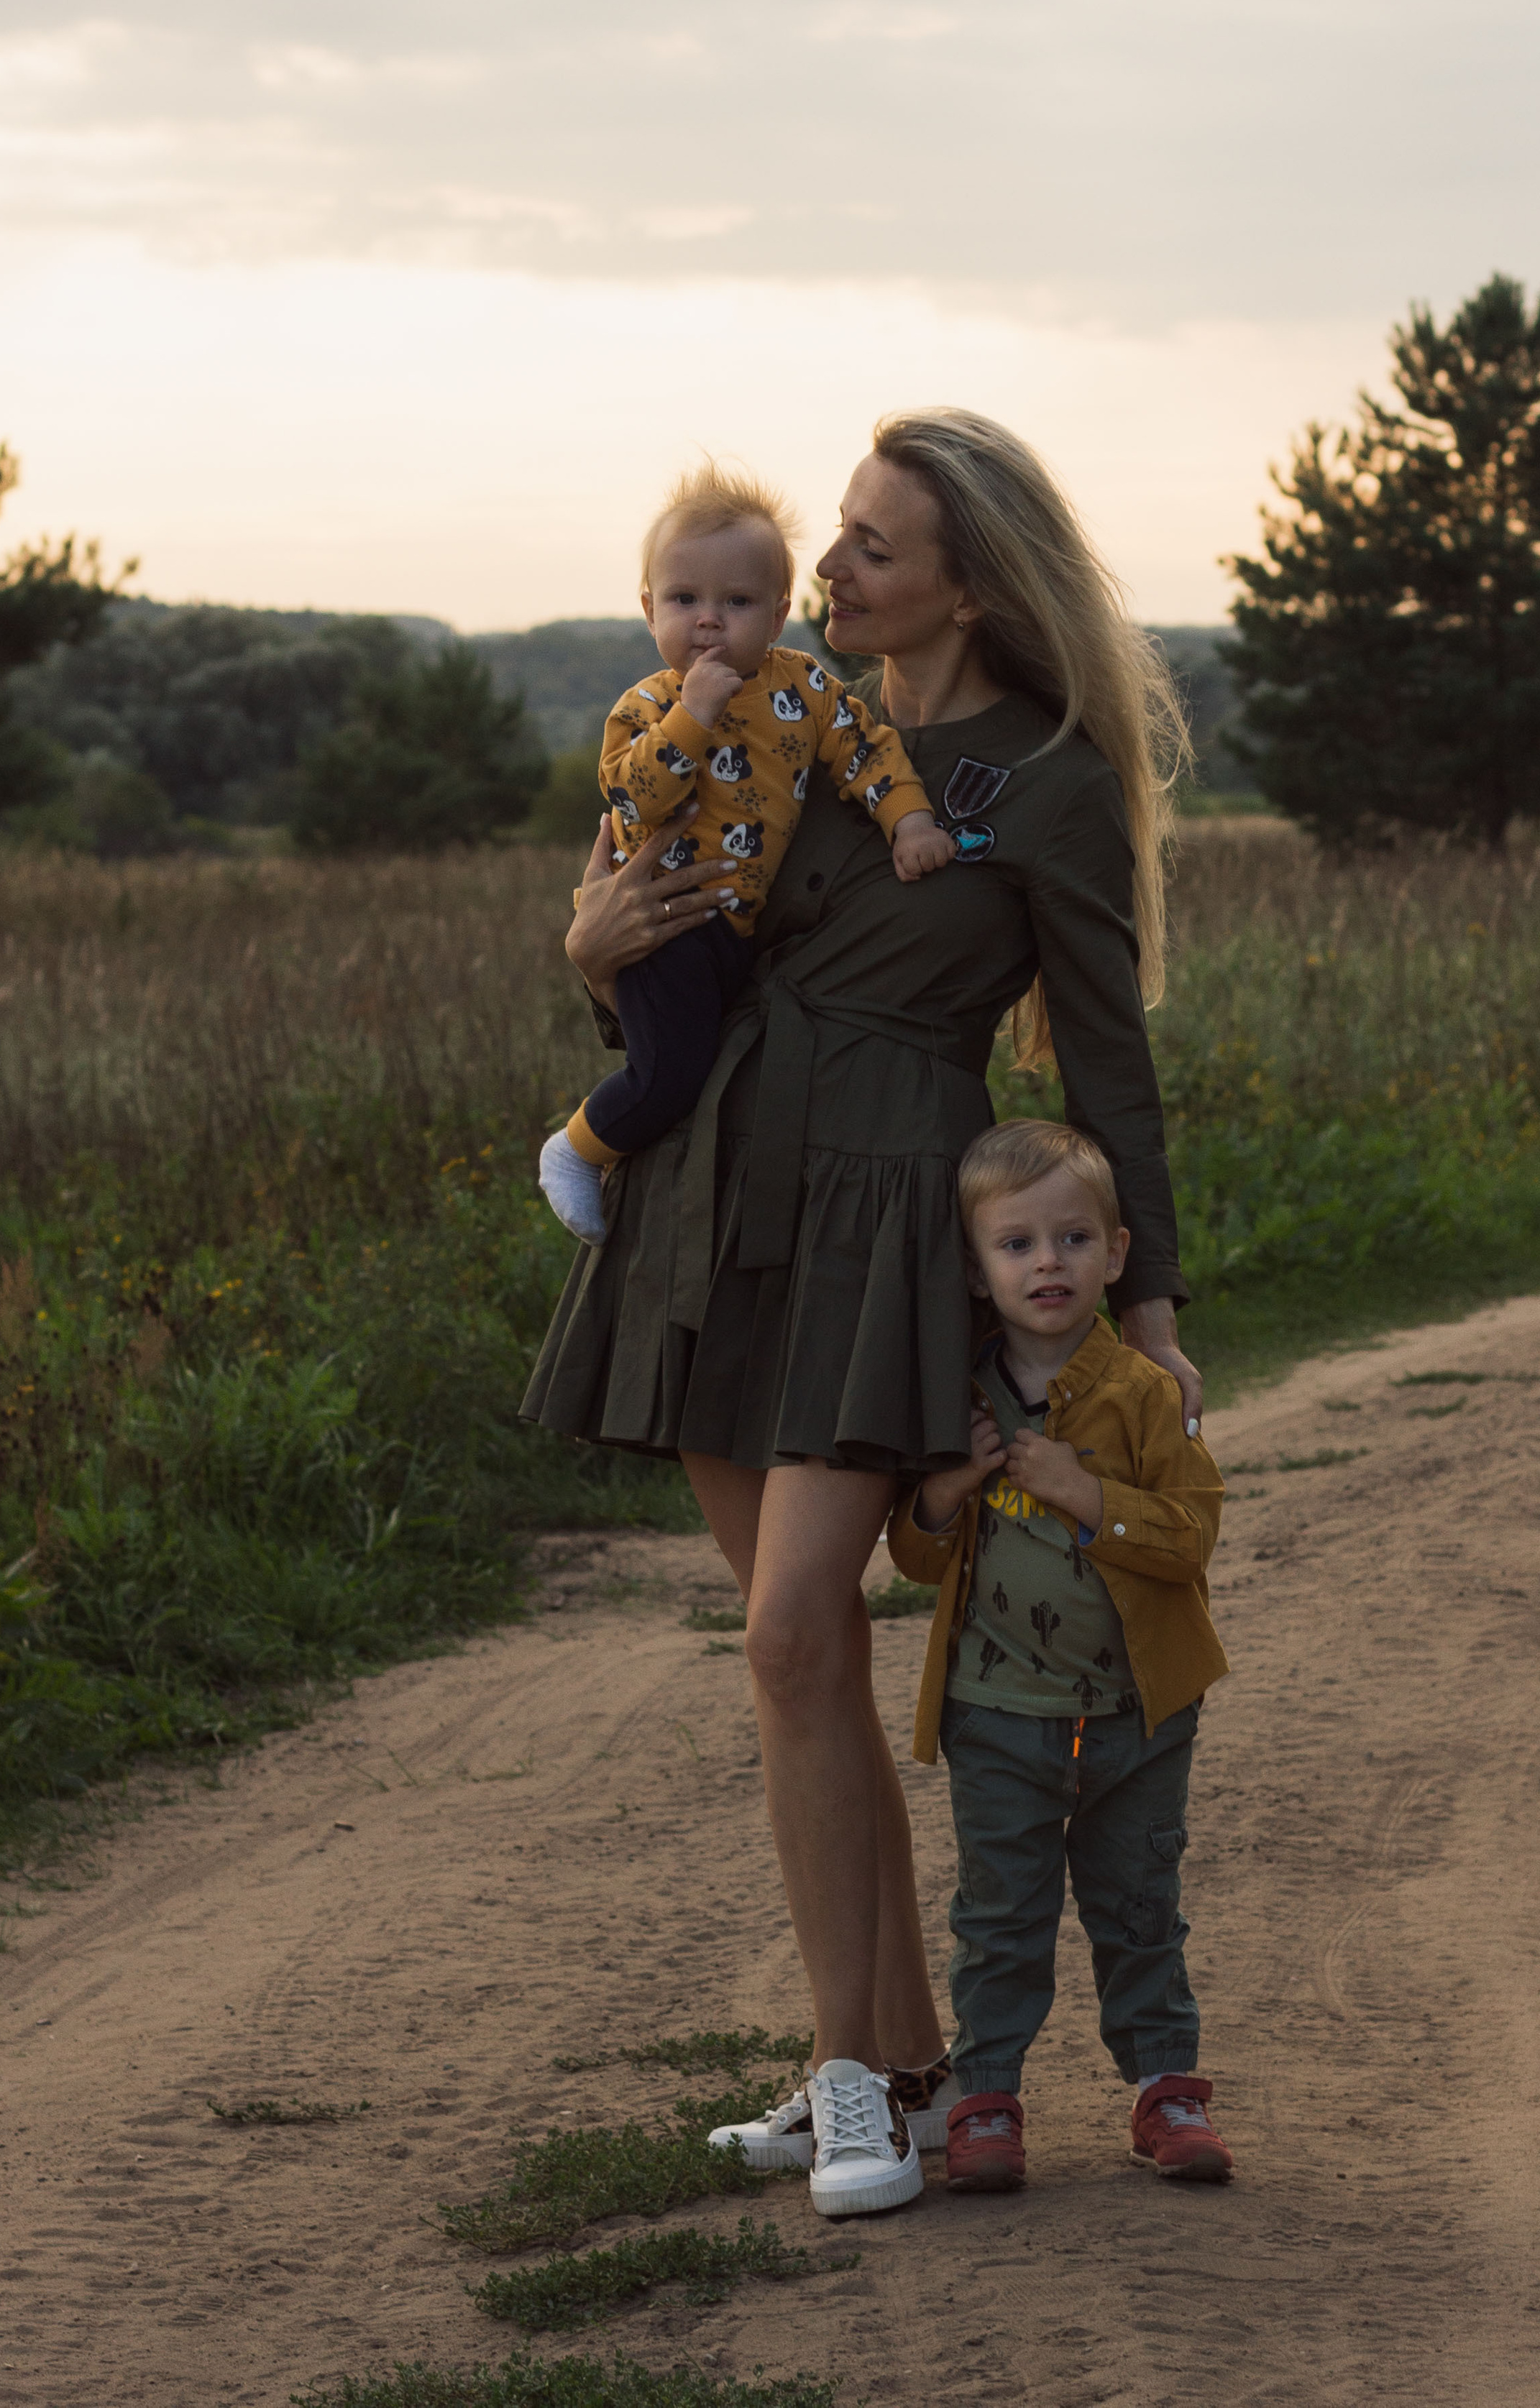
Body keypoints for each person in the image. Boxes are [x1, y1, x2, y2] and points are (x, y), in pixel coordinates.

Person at [523, 406, 1201, 2223]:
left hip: (888, 1207)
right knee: (802, 1658)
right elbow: (679, 947)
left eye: (870, 545)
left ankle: (855, 2080)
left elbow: (1107, 1063)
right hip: (712, 1190)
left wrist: (1142, 1306)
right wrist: (592, 957)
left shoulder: (1047, 778)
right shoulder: (790, 717)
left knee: (782, 1633)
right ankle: (892, 2069)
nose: (823, 568)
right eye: (834, 531)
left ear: (967, 584)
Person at [886, 1117, 1234, 2194]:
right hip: (996, 1717)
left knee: (1139, 1907)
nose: (1049, 1263)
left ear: (1116, 1254)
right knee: (1000, 1918)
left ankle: (1166, 2091)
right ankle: (986, 2100)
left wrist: (1087, 1495)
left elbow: (1192, 1537)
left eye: (1074, 1239)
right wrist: (946, 1489)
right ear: (976, 1268)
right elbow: (914, 1558)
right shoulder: (955, 1400)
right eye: (1018, 1244)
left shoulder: (1145, 1393)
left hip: (1137, 1716)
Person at [538, 461, 953, 1248]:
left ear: (779, 614)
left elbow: (868, 751)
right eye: (683, 600)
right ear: (648, 609)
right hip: (663, 926)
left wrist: (910, 822)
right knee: (670, 1074)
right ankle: (578, 1150)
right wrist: (691, 718)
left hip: (734, 930)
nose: (707, 622)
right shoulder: (648, 706)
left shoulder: (806, 691)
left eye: (736, 602)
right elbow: (635, 799)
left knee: (706, 1063)